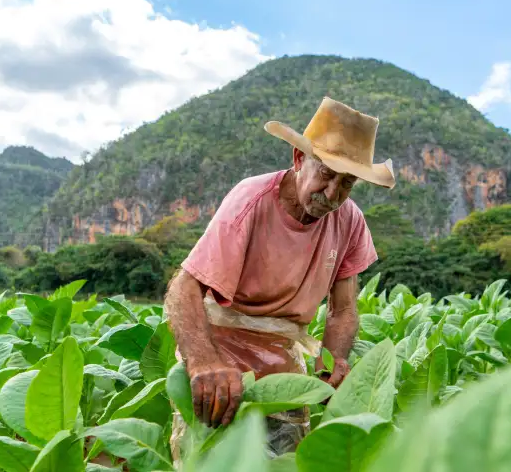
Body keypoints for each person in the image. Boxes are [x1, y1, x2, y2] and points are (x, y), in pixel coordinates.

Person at [163, 96, 396, 457]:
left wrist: (333, 361)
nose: (332, 193)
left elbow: (343, 310)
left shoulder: (350, 221)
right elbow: (185, 285)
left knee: (284, 462)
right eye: (325, 174)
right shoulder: (252, 200)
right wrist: (203, 361)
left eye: (347, 183)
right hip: (223, 365)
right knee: (211, 461)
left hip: (284, 369)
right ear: (299, 159)